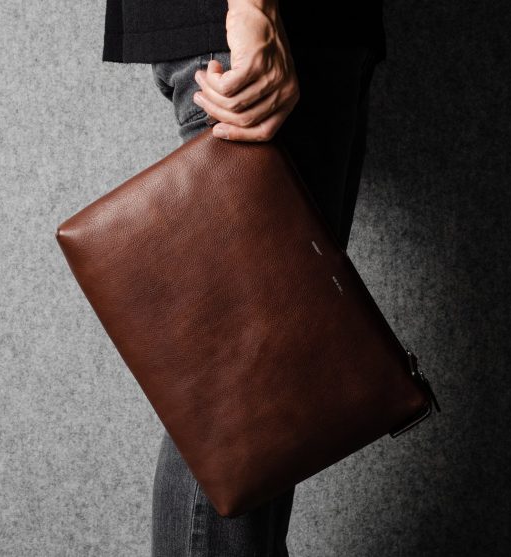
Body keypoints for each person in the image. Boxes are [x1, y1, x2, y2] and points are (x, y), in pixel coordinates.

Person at [102, 0, 386, 554]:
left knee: (265, 416)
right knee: (241, 412)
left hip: (314, 30)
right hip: (271, 29)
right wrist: (253, 12)